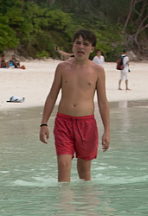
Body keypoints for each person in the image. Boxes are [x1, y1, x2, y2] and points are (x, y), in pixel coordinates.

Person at [39, 29, 110, 183]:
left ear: (92, 49)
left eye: (86, 44)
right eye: (78, 43)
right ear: (72, 46)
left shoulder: (97, 71)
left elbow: (103, 101)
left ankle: (84, 205)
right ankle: (65, 206)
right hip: (63, 122)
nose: (81, 47)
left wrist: (107, 131)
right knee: (63, 165)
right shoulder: (62, 67)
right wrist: (44, 123)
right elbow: (52, 96)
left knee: (84, 172)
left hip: (87, 124)